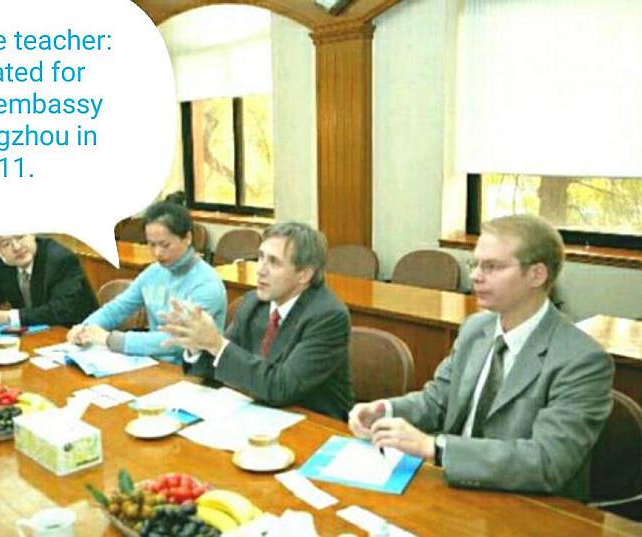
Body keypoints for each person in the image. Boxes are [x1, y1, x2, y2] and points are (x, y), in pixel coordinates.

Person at [349, 215, 613, 500]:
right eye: (474, 264)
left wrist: (435, 448)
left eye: (492, 266)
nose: (475, 276)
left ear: (537, 275)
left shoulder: (581, 359)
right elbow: (438, 400)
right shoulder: (476, 328)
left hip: (527, 505)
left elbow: (547, 461)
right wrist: (386, 410)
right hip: (454, 489)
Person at [161, 222, 354, 421]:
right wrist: (197, 345)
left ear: (304, 274)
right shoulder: (253, 303)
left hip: (314, 423)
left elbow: (281, 387)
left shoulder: (328, 316)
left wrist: (216, 344)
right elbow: (221, 365)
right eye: (260, 257)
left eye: (274, 262)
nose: (260, 270)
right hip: (259, 412)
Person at [67, 202, 226, 363]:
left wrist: (111, 340)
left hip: (192, 370)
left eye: (165, 245)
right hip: (153, 364)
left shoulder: (207, 284)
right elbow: (118, 307)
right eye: (151, 244)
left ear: (187, 238)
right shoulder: (153, 272)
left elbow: (177, 340)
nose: (157, 253)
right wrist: (86, 328)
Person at [0, 235, 98, 327]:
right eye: (6, 244)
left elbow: (59, 310)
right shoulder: (4, 263)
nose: (17, 247)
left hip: (74, 334)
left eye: (20, 237)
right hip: (36, 335)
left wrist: (7, 317)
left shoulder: (60, 259)